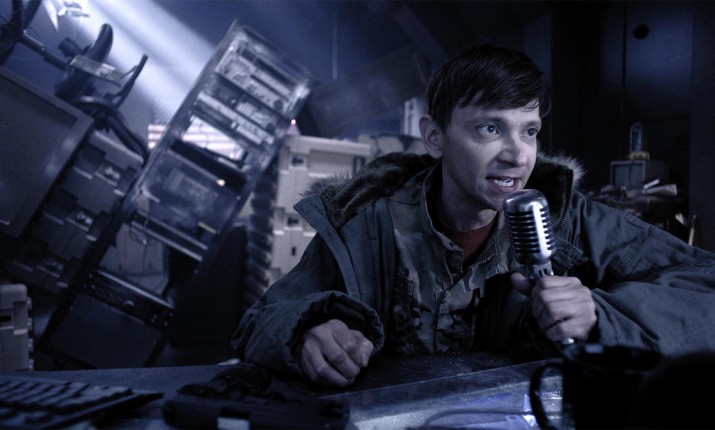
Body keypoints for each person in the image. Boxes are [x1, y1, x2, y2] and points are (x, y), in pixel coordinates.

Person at [232, 42, 715, 387]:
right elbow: (259, 321)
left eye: (529, 131)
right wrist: (306, 333)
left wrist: (601, 316)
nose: (517, 155)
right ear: (434, 136)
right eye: (490, 129)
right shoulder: (364, 224)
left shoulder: (571, 220)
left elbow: (705, 288)